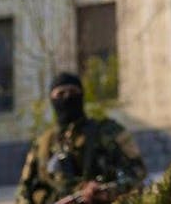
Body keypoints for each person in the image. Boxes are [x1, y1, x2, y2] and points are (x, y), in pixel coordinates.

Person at [17, 72, 145, 204]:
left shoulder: (107, 132)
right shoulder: (42, 144)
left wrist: (107, 192)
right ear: (52, 98)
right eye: (60, 93)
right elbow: (24, 190)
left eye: (72, 91)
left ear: (81, 95)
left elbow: (137, 172)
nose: (67, 97)